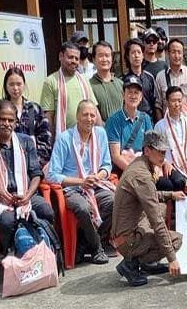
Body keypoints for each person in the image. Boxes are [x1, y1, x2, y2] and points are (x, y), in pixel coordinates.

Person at [0, 100, 55, 250]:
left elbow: (36, 174)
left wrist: (27, 194)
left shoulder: (25, 142)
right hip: (0, 201)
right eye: (2, 119)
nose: (6, 123)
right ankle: (12, 253)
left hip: (27, 196)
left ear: (16, 122)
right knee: (7, 221)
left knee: (47, 211)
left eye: (10, 120)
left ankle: (42, 251)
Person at [111, 130, 184, 287]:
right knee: (176, 240)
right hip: (127, 240)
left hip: (124, 231)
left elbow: (149, 195)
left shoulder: (140, 164)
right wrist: (172, 258)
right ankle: (131, 264)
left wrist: (171, 194)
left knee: (162, 207)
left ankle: (143, 263)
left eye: (164, 151)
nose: (163, 156)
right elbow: (156, 221)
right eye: (159, 151)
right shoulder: (142, 175)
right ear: (147, 150)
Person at [48, 100, 114, 264]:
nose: (89, 119)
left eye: (92, 115)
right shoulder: (65, 138)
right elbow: (52, 174)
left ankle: (83, 243)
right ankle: (97, 248)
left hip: (95, 184)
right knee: (83, 207)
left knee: (117, 202)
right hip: (73, 188)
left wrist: (98, 176)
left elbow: (107, 164)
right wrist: (80, 181)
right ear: (77, 117)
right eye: (85, 115)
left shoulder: (100, 134)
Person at [41, 42, 98, 136]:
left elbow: (94, 110)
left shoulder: (84, 80)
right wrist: (50, 143)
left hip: (87, 138)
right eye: (70, 57)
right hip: (64, 141)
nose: (74, 61)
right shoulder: (51, 81)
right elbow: (49, 117)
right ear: (60, 56)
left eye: (77, 59)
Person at [3, 68, 52, 168]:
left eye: (19, 84)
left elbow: (45, 140)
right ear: (5, 86)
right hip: (8, 166)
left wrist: (35, 164)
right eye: (11, 84)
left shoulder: (34, 109)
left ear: (24, 85)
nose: (15, 88)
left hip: (34, 166)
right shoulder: (1, 110)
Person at [106, 75, 154, 174]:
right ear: (123, 95)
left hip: (143, 167)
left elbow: (150, 149)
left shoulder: (146, 119)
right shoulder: (113, 120)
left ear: (141, 97)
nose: (133, 96)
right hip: (123, 170)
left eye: (136, 93)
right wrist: (135, 172)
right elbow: (115, 156)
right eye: (130, 92)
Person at [156, 38, 187, 134]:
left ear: (183, 54)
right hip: (168, 129)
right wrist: (161, 129)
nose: (176, 56)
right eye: (173, 52)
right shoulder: (160, 77)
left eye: (179, 52)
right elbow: (158, 106)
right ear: (167, 54)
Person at [122, 38, 160, 121]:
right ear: (128, 56)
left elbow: (155, 103)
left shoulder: (150, 77)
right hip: (130, 121)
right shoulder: (123, 80)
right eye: (133, 52)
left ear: (143, 55)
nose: (136, 55)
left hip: (149, 121)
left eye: (139, 52)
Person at [89, 41, 124, 122]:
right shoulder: (89, 86)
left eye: (107, 56)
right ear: (94, 60)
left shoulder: (121, 84)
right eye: (100, 56)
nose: (104, 59)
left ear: (112, 59)